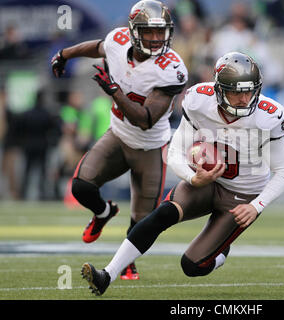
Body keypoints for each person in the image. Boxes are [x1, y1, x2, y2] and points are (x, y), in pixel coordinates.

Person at [80, 52, 284, 296]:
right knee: (163, 214)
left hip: (242, 196)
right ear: (219, 90)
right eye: (237, 92)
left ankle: (220, 251)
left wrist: (256, 206)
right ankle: (107, 274)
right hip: (206, 182)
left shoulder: (268, 117)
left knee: (192, 266)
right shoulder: (198, 101)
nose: (245, 99)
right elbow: (175, 153)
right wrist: (194, 178)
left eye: (250, 91)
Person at [51, 0, 188, 280]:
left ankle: (127, 263)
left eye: (160, 31)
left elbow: (146, 118)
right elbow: (98, 46)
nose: (155, 38)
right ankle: (103, 213)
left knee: (142, 221)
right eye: (148, 31)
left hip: (150, 147)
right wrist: (65, 54)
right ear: (134, 31)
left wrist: (114, 91)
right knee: (80, 187)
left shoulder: (171, 68)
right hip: (118, 136)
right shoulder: (118, 39)